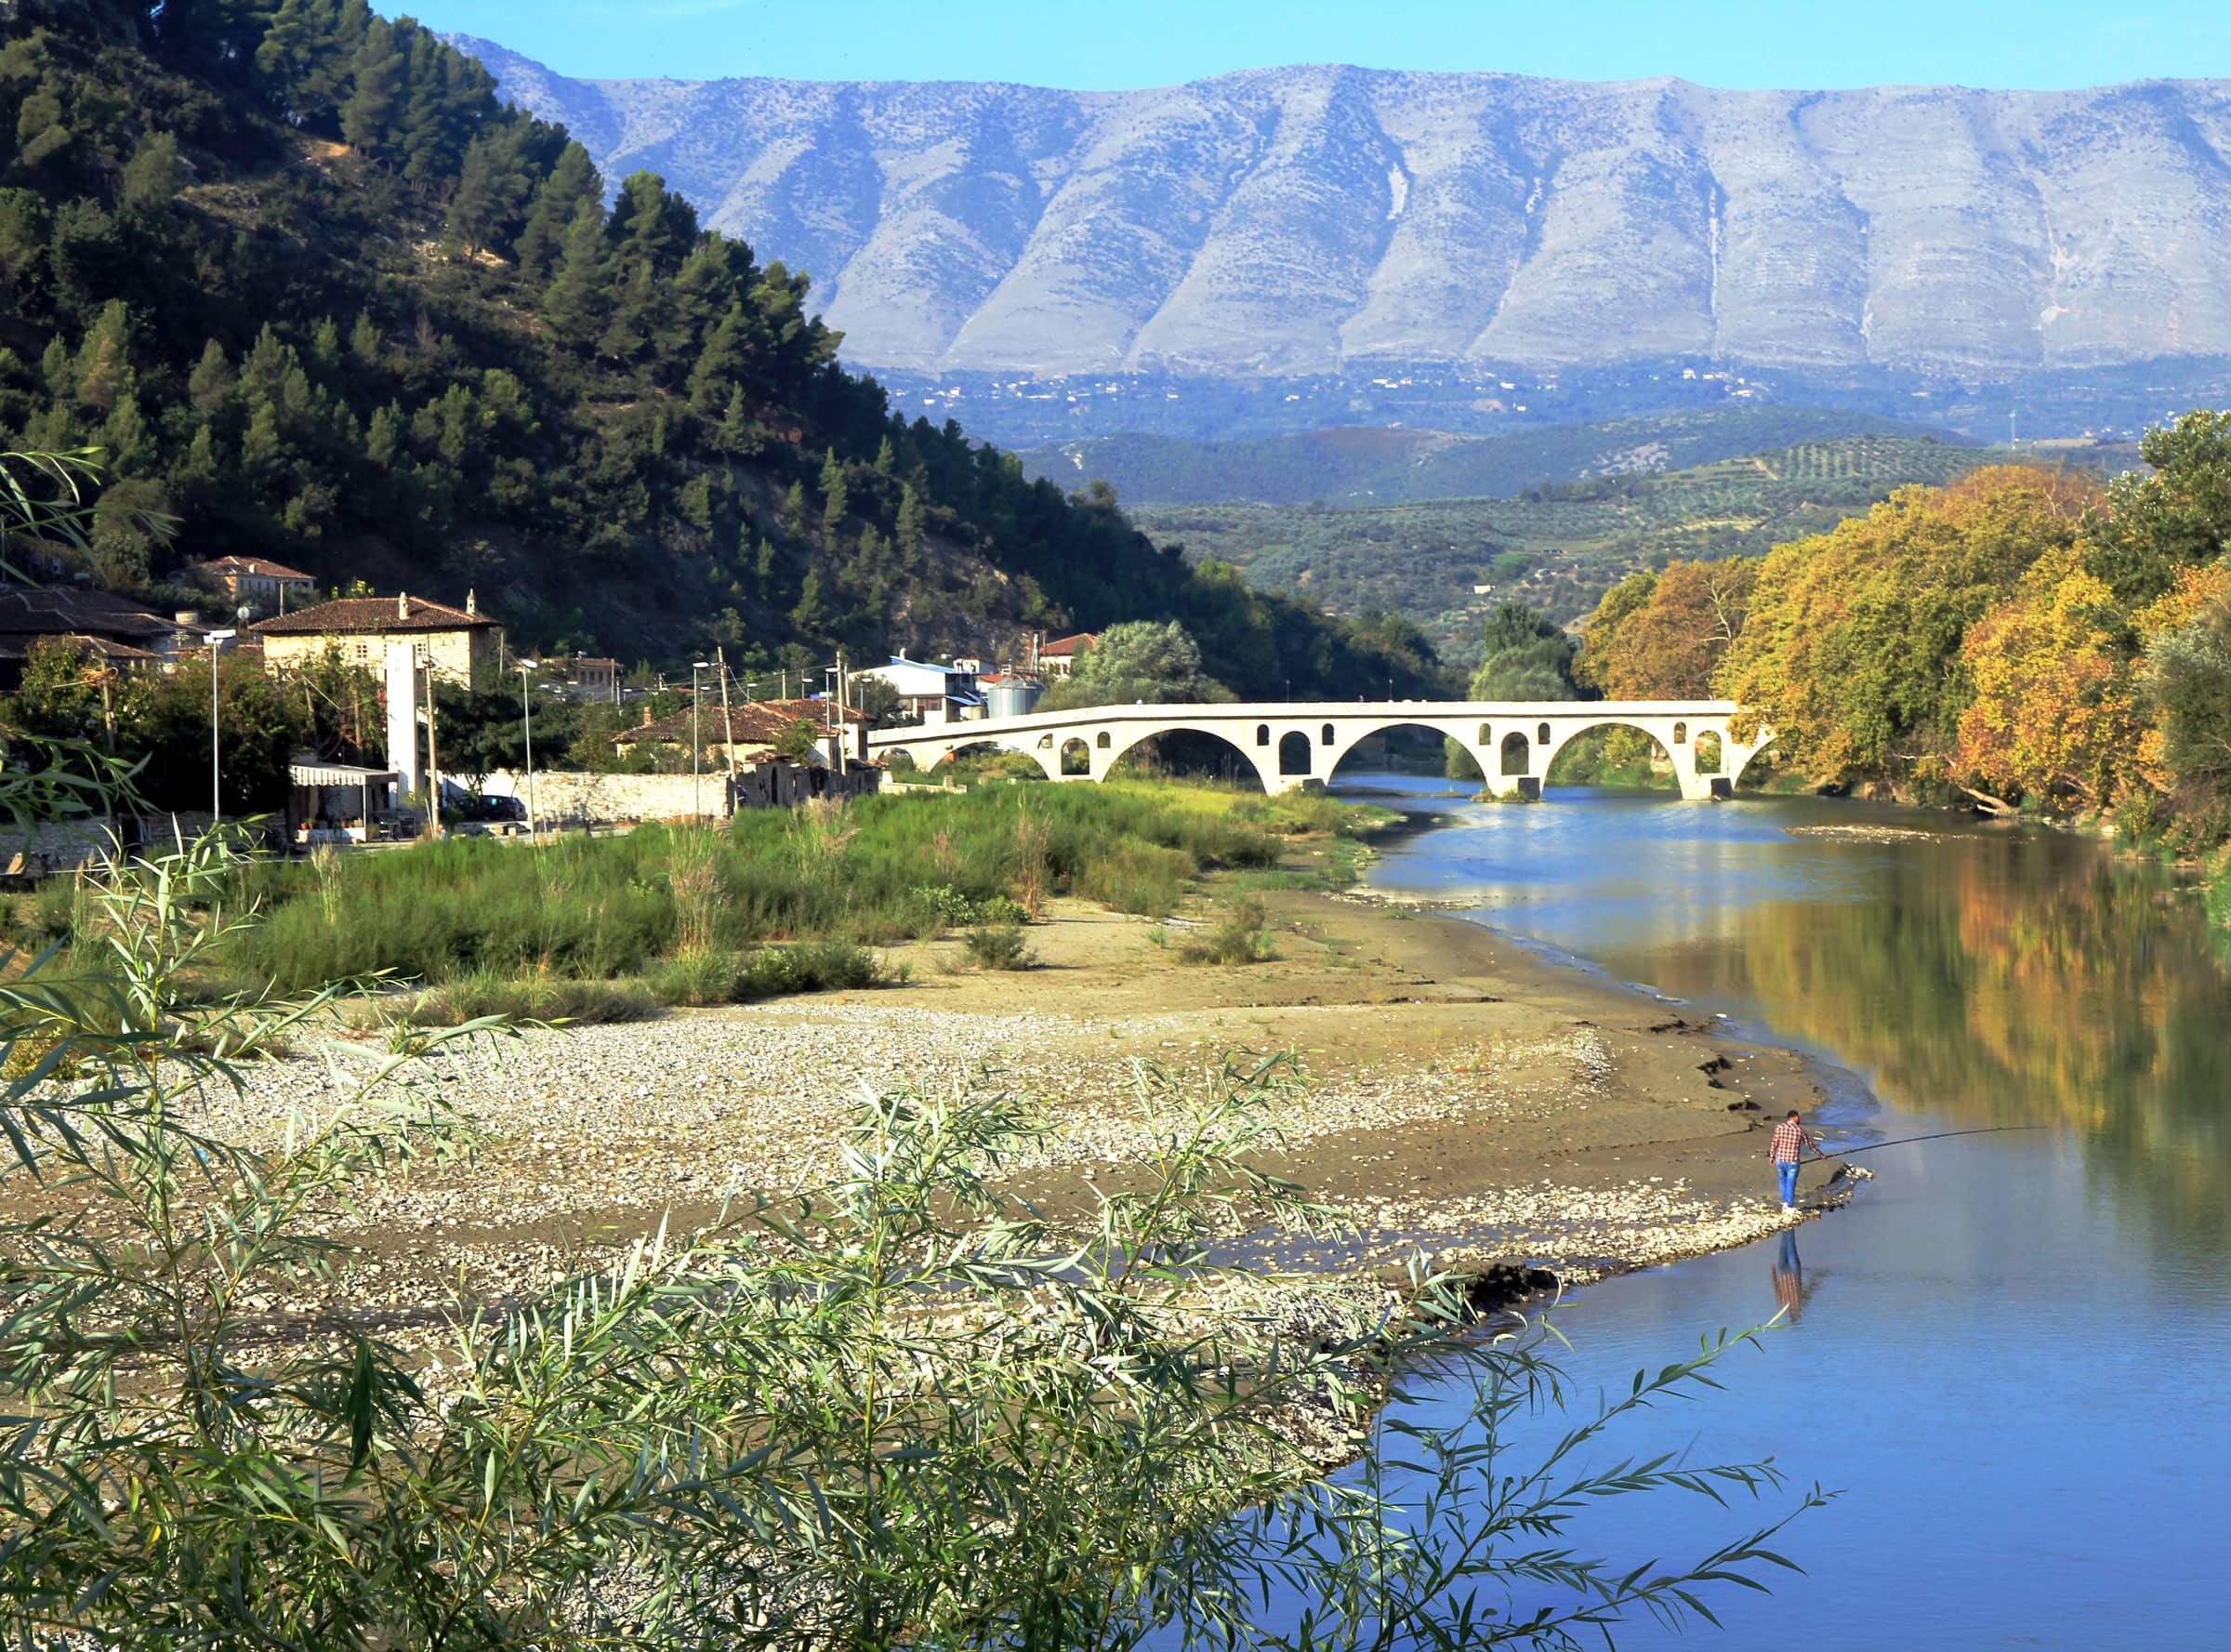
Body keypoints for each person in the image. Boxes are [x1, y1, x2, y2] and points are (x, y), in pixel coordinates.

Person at [1769, 1108, 1826, 1209]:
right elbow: (1809, 1144)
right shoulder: (1800, 1130)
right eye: (1798, 1117)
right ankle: (1789, 1206)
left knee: (1782, 1181)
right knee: (1791, 1183)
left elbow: (1774, 1143)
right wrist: (1821, 1155)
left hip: (1780, 1159)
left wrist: (1772, 1156)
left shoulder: (1780, 1128)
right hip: (1792, 1161)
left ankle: (1785, 1203)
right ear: (1795, 1117)